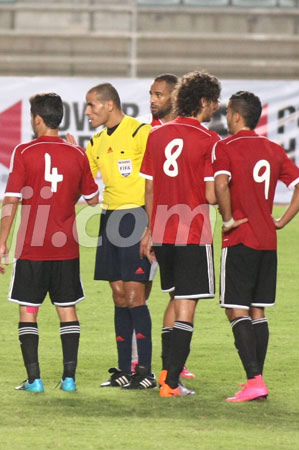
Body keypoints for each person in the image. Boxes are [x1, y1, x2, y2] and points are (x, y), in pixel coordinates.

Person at [0, 93, 99, 393]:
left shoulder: (24, 152)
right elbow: (93, 199)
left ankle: (34, 379)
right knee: (67, 309)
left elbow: (11, 200)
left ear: (38, 119)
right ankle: (69, 379)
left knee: (28, 310)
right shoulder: (77, 154)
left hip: (32, 246)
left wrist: (2, 242)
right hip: (66, 246)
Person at [213, 91, 299, 402]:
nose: (226, 118)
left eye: (228, 112)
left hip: (240, 237)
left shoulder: (225, 147)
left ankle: (254, 379)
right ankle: (256, 380)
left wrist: (228, 220)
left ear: (236, 115)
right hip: (267, 238)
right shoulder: (273, 149)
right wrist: (280, 220)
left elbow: (219, 184)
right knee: (257, 309)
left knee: (235, 309)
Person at [140, 71, 221, 397]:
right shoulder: (208, 140)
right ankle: (171, 383)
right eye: (214, 101)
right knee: (186, 306)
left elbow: (148, 188)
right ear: (203, 102)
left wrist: (149, 230)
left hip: (162, 230)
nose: (216, 107)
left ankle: (166, 373)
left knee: (175, 300)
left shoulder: (157, 136)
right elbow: (212, 195)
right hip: (192, 232)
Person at [83, 84, 156, 390]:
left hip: (136, 217)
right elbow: (86, 186)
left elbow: (156, 181)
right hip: (109, 218)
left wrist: (151, 227)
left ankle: (146, 372)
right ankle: (124, 370)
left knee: (135, 295)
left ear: (109, 105)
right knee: (117, 294)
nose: (88, 112)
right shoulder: (96, 141)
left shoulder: (141, 133)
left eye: (92, 106)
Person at [148, 74, 196, 382]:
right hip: (154, 225)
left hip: (170, 226)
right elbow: (147, 186)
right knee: (138, 294)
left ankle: (173, 361)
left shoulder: (170, 133)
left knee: (177, 295)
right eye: (151, 94)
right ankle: (148, 364)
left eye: (159, 95)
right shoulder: (150, 133)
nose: (153, 100)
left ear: (175, 99)